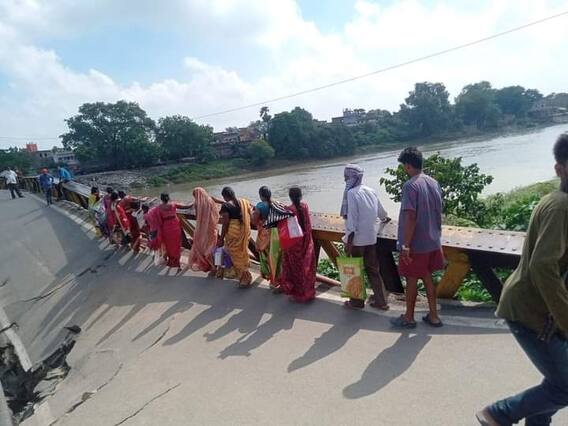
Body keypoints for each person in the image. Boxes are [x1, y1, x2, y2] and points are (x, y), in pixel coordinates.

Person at [477, 134, 568, 426]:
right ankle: (498, 413)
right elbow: (543, 265)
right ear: (560, 169)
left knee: (558, 380)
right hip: (531, 311)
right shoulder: (561, 206)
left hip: (541, 310)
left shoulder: (557, 202)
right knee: (564, 386)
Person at [390, 147, 444, 329]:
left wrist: (406, 245)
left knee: (411, 279)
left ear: (407, 165)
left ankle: (409, 317)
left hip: (416, 244)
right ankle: (434, 316)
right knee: (427, 278)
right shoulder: (433, 182)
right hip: (433, 241)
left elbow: (411, 217)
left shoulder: (410, 186)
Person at [341, 164, 390, 311]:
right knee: (373, 270)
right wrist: (385, 219)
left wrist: (349, 242)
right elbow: (381, 212)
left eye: (346, 177)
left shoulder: (351, 193)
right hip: (371, 237)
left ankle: (356, 302)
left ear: (351, 178)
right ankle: (381, 301)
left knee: (355, 270)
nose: (345, 179)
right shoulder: (371, 191)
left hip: (357, 239)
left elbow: (352, 219)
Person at [279, 186, 316, 303]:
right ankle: (309, 292)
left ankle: (299, 294)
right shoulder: (305, 206)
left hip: (295, 245)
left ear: (290, 197)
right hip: (307, 242)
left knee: (295, 270)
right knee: (307, 269)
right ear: (301, 196)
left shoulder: (289, 210)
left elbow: (284, 227)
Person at [217, 187, 253, 288]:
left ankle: (244, 278)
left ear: (224, 196)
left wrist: (221, 238)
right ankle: (245, 277)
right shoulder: (244, 202)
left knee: (235, 256)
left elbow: (225, 223)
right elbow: (251, 211)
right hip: (243, 232)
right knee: (242, 254)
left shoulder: (225, 205)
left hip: (233, 234)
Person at [252, 186, 284, 291]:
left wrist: (252, 212)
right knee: (278, 257)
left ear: (261, 196)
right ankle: (281, 279)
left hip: (265, 234)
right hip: (277, 233)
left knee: (267, 257)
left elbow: (254, 221)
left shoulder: (260, 205)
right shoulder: (277, 203)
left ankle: (273, 281)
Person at [186, 187, 219, 273]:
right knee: (211, 245)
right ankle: (214, 266)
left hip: (201, 228)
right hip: (211, 227)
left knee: (202, 245)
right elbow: (216, 213)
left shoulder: (197, 203)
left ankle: (208, 264)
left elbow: (197, 216)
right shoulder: (210, 200)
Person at [156, 193, 190, 268]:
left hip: (166, 227)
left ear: (161, 199)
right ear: (168, 198)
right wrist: (194, 203)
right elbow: (186, 206)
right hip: (175, 226)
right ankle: (177, 261)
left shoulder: (159, 208)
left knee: (169, 245)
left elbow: (158, 220)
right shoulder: (173, 204)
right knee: (177, 243)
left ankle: (171, 260)